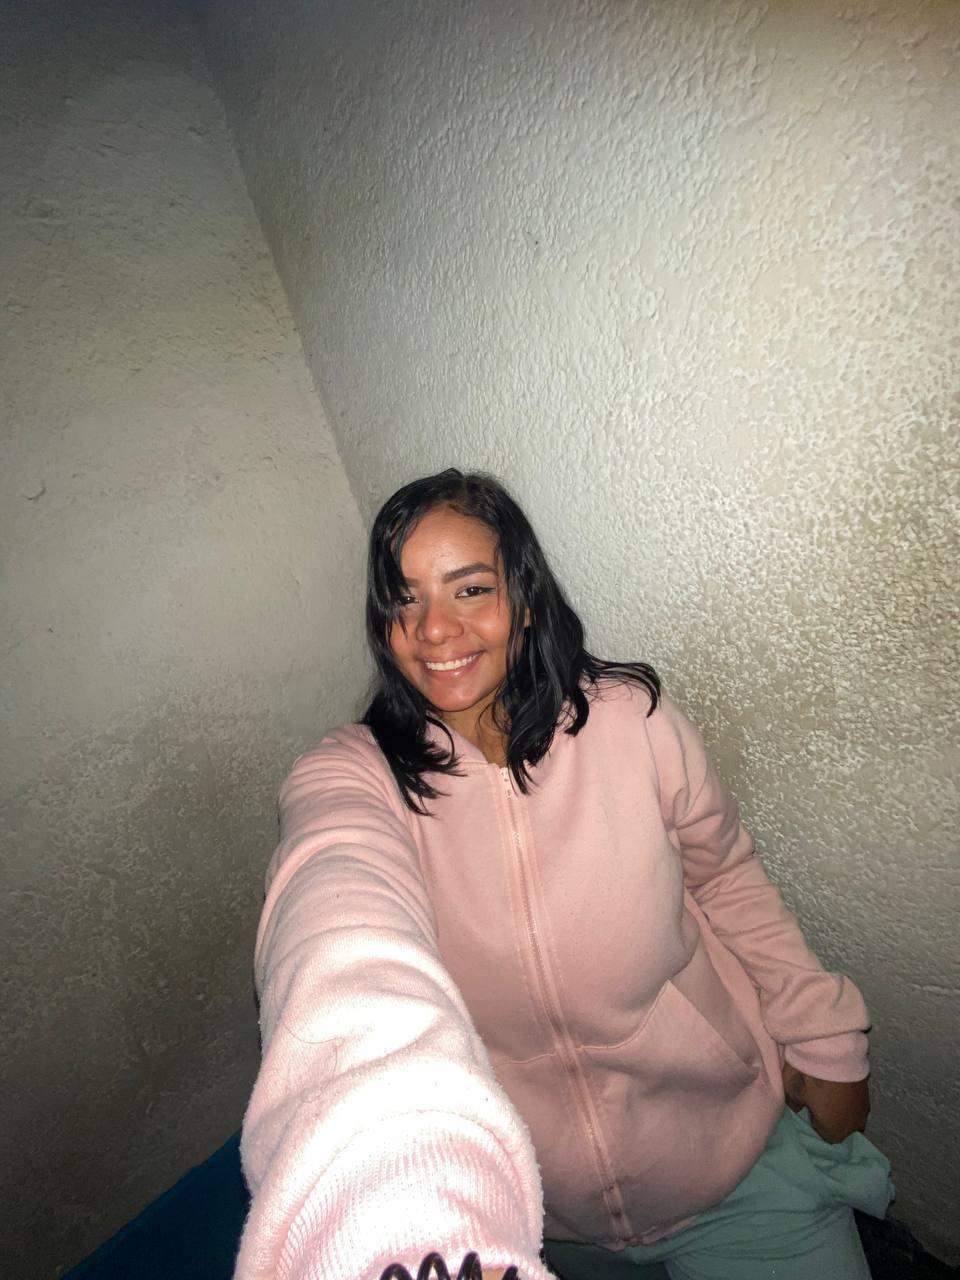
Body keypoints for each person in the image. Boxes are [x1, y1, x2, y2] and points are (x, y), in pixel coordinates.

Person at [234, 469, 892, 1280]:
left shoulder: (628, 721)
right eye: (404, 599)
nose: (433, 629)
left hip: (734, 1167)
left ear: (525, 598)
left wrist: (824, 1036)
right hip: (542, 1218)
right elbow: (332, 907)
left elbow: (725, 877)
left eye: (470, 589)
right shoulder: (358, 774)